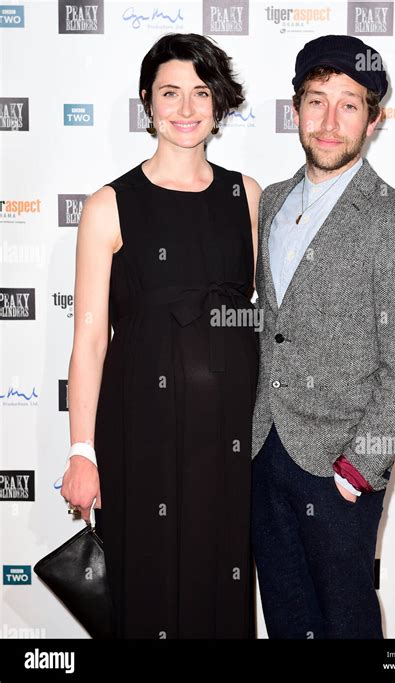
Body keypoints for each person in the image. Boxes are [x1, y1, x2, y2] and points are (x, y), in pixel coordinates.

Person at [60, 32, 261, 639]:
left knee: (221, 590)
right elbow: (91, 340)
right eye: (170, 93)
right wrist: (81, 451)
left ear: (219, 103)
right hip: (140, 437)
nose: (186, 109)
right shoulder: (108, 206)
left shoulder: (246, 196)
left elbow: (263, 323)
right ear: (147, 100)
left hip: (230, 440)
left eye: (201, 93)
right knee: (148, 588)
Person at [251, 34, 395, 639]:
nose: (329, 121)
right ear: (296, 110)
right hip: (263, 450)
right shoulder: (270, 204)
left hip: (339, 469)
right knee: (286, 619)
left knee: (346, 624)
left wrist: (358, 469)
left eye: (349, 104)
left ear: (374, 118)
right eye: (316, 101)